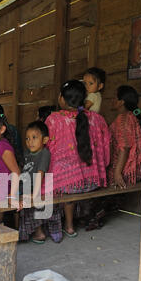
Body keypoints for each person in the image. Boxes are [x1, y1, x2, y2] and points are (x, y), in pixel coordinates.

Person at [44, 80, 111, 238]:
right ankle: (81, 217)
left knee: (55, 176)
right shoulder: (97, 119)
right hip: (93, 182)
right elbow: (106, 150)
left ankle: (68, 225)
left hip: (67, 186)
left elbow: (45, 152)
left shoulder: (54, 120)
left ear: (61, 98)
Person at [19, 121, 63, 244]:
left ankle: (47, 232)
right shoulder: (27, 153)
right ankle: (36, 232)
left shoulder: (44, 153)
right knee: (24, 205)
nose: (30, 142)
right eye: (27, 138)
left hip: (37, 187)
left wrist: (35, 193)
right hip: (26, 187)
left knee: (40, 205)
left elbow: (40, 173)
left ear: (44, 140)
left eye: (34, 138)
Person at [109, 85, 141, 189]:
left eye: (115, 97)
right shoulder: (131, 116)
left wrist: (117, 172)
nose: (112, 100)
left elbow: (125, 147)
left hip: (125, 171)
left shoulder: (123, 118)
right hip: (132, 170)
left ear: (121, 102)